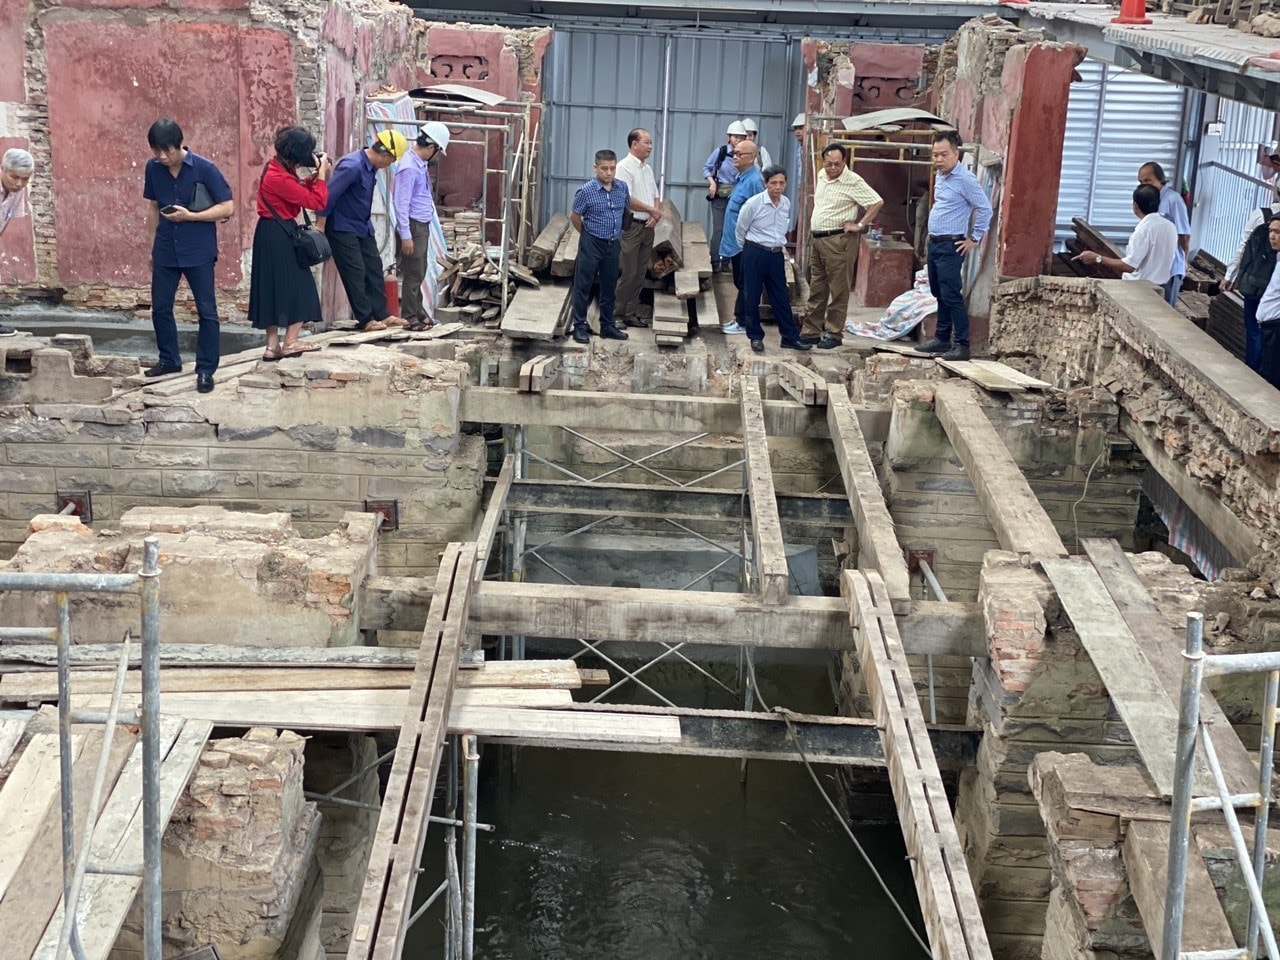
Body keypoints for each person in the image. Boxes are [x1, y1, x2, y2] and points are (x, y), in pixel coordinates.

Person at [142, 118, 234, 393]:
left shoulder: (205, 168)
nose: (161, 156)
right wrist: (151, 246)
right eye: (156, 150)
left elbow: (228, 207)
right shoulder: (153, 168)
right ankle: (169, 359)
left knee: (207, 311)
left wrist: (192, 216)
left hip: (199, 249)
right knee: (160, 308)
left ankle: (206, 370)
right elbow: (153, 208)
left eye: (166, 151)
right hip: (166, 248)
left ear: (180, 144)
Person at [249, 126, 331, 361]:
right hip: (280, 233)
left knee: (271, 287)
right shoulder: (279, 177)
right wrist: (322, 174)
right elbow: (316, 201)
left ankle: (272, 346)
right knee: (300, 286)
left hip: (269, 233)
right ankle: (291, 341)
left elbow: (297, 189)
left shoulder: (276, 168)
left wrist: (313, 176)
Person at [319, 129, 408, 332]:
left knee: (374, 268)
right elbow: (328, 196)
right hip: (342, 226)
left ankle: (382, 314)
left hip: (362, 226)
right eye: (391, 160)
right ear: (385, 155)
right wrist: (320, 226)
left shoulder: (370, 167)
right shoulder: (352, 166)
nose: (389, 165)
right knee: (355, 272)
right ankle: (365, 318)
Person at [918, 130, 992, 362]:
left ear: (956, 154)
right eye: (935, 155)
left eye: (943, 155)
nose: (938, 159)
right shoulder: (941, 176)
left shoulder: (965, 179)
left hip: (952, 245)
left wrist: (975, 238)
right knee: (939, 292)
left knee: (952, 295)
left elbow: (985, 208)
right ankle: (941, 338)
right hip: (935, 243)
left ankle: (962, 344)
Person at [801, 143, 883, 349]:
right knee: (817, 287)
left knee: (839, 289)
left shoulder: (852, 181)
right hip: (818, 239)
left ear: (844, 162)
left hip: (839, 241)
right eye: (829, 163)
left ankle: (833, 332)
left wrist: (860, 225)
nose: (832, 168)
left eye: (837, 164)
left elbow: (876, 202)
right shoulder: (821, 175)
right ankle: (811, 330)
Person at [734, 165, 810, 354]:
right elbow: (740, 230)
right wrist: (749, 251)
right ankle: (756, 337)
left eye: (781, 183)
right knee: (751, 296)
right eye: (773, 183)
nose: (778, 187)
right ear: (765, 184)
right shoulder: (754, 204)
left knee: (781, 296)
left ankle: (789, 337)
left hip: (776, 253)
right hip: (755, 251)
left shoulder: (785, 203)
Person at [569, 149, 630, 345]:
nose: (609, 173)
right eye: (604, 169)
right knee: (583, 285)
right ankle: (579, 326)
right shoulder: (586, 191)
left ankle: (607, 325)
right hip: (592, 242)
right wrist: (587, 236)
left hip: (613, 244)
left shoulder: (622, 188)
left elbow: (625, 211)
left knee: (609, 285)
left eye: (612, 168)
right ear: (596, 168)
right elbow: (575, 217)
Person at [395, 121, 449, 332]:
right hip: (413, 226)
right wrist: (406, 235)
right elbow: (401, 203)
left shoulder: (418, 164)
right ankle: (409, 317)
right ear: (430, 147)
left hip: (420, 225)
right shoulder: (408, 168)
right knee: (413, 273)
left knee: (420, 270)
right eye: (437, 151)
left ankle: (418, 312)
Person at [1222, 176, 1280, 371]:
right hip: (1271, 287)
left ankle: (1253, 370)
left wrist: (1231, 275)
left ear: (1275, 191)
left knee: (1254, 331)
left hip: (1256, 282)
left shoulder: (1260, 214)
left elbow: (1244, 246)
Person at [1071, 185, 1176, 290]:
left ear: (1135, 206)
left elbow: (1129, 266)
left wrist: (1097, 258)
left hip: (1141, 290)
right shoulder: (1170, 226)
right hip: (1162, 287)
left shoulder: (1143, 231)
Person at [614, 128, 663, 329]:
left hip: (648, 227)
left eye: (651, 143)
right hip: (632, 227)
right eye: (647, 142)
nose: (650, 147)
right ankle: (616, 314)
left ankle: (631, 312)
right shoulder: (623, 168)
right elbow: (628, 199)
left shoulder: (647, 169)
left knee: (641, 272)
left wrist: (655, 213)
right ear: (634, 144)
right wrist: (653, 210)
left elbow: (655, 195)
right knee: (628, 272)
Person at [718, 141, 764, 335]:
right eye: (734, 153)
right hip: (734, 243)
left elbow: (761, 211)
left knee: (746, 283)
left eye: (739, 154)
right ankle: (740, 319)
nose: (734, 157)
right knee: (740, 281)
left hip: (745, 244)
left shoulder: (754, 181)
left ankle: (743, 321)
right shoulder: (741, 178)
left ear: (752, 157)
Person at [1137, 161, 1191, 307]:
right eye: (1141, 182)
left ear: (1160, 179)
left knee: (1165, 309)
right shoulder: (1149, 198)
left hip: (1170, 266)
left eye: (1148, 181)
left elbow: (1184, 235)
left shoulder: (1173, 200)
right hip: (1153, 266)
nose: (1144, 185)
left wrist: (1184, 261)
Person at [703, 120, 747, 271]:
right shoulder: (721, 152)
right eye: (735, 137)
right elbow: (707, 168)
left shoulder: (746, 156)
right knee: (719, 229)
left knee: (734, 229)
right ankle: (715, 262)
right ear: (729, 137)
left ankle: (727, 262)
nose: (738, 140)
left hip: (738, 197)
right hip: (720, 196)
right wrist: (712, 183)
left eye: (741, 137)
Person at [0, 148, 34, 337]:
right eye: (15, 177)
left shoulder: (18, 190)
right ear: (3, 170)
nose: (20, 183)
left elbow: (6, 219)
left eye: (25, 179)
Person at [1252, 218, 1280, 388]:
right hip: (1268, 327)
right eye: (1271, 231)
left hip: (1276, 329)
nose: (1272, 236)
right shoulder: (1277, 258)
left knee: (1270, 378)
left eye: (1277, 232)